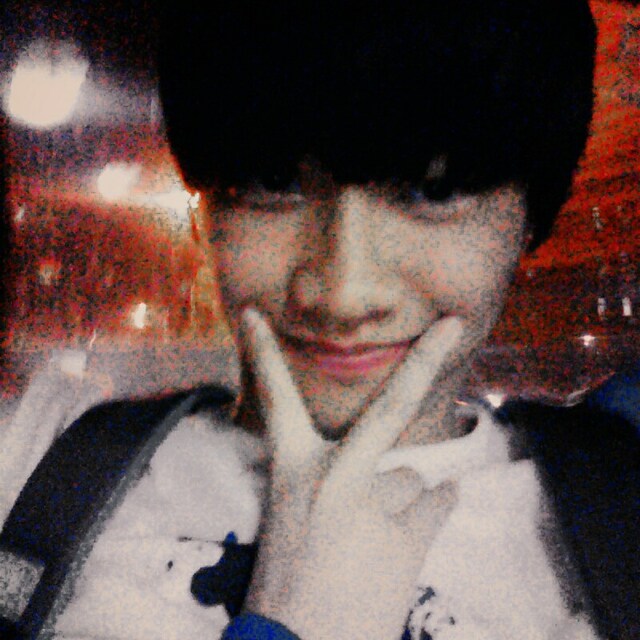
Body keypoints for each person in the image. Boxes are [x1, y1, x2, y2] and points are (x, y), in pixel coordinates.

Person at [0, 2, 637, 639]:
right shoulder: (37, 461)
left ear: (530, 220)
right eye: (274, 182)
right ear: (204, 212)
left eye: (434, 191)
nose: (343, 294)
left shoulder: (615, 524)